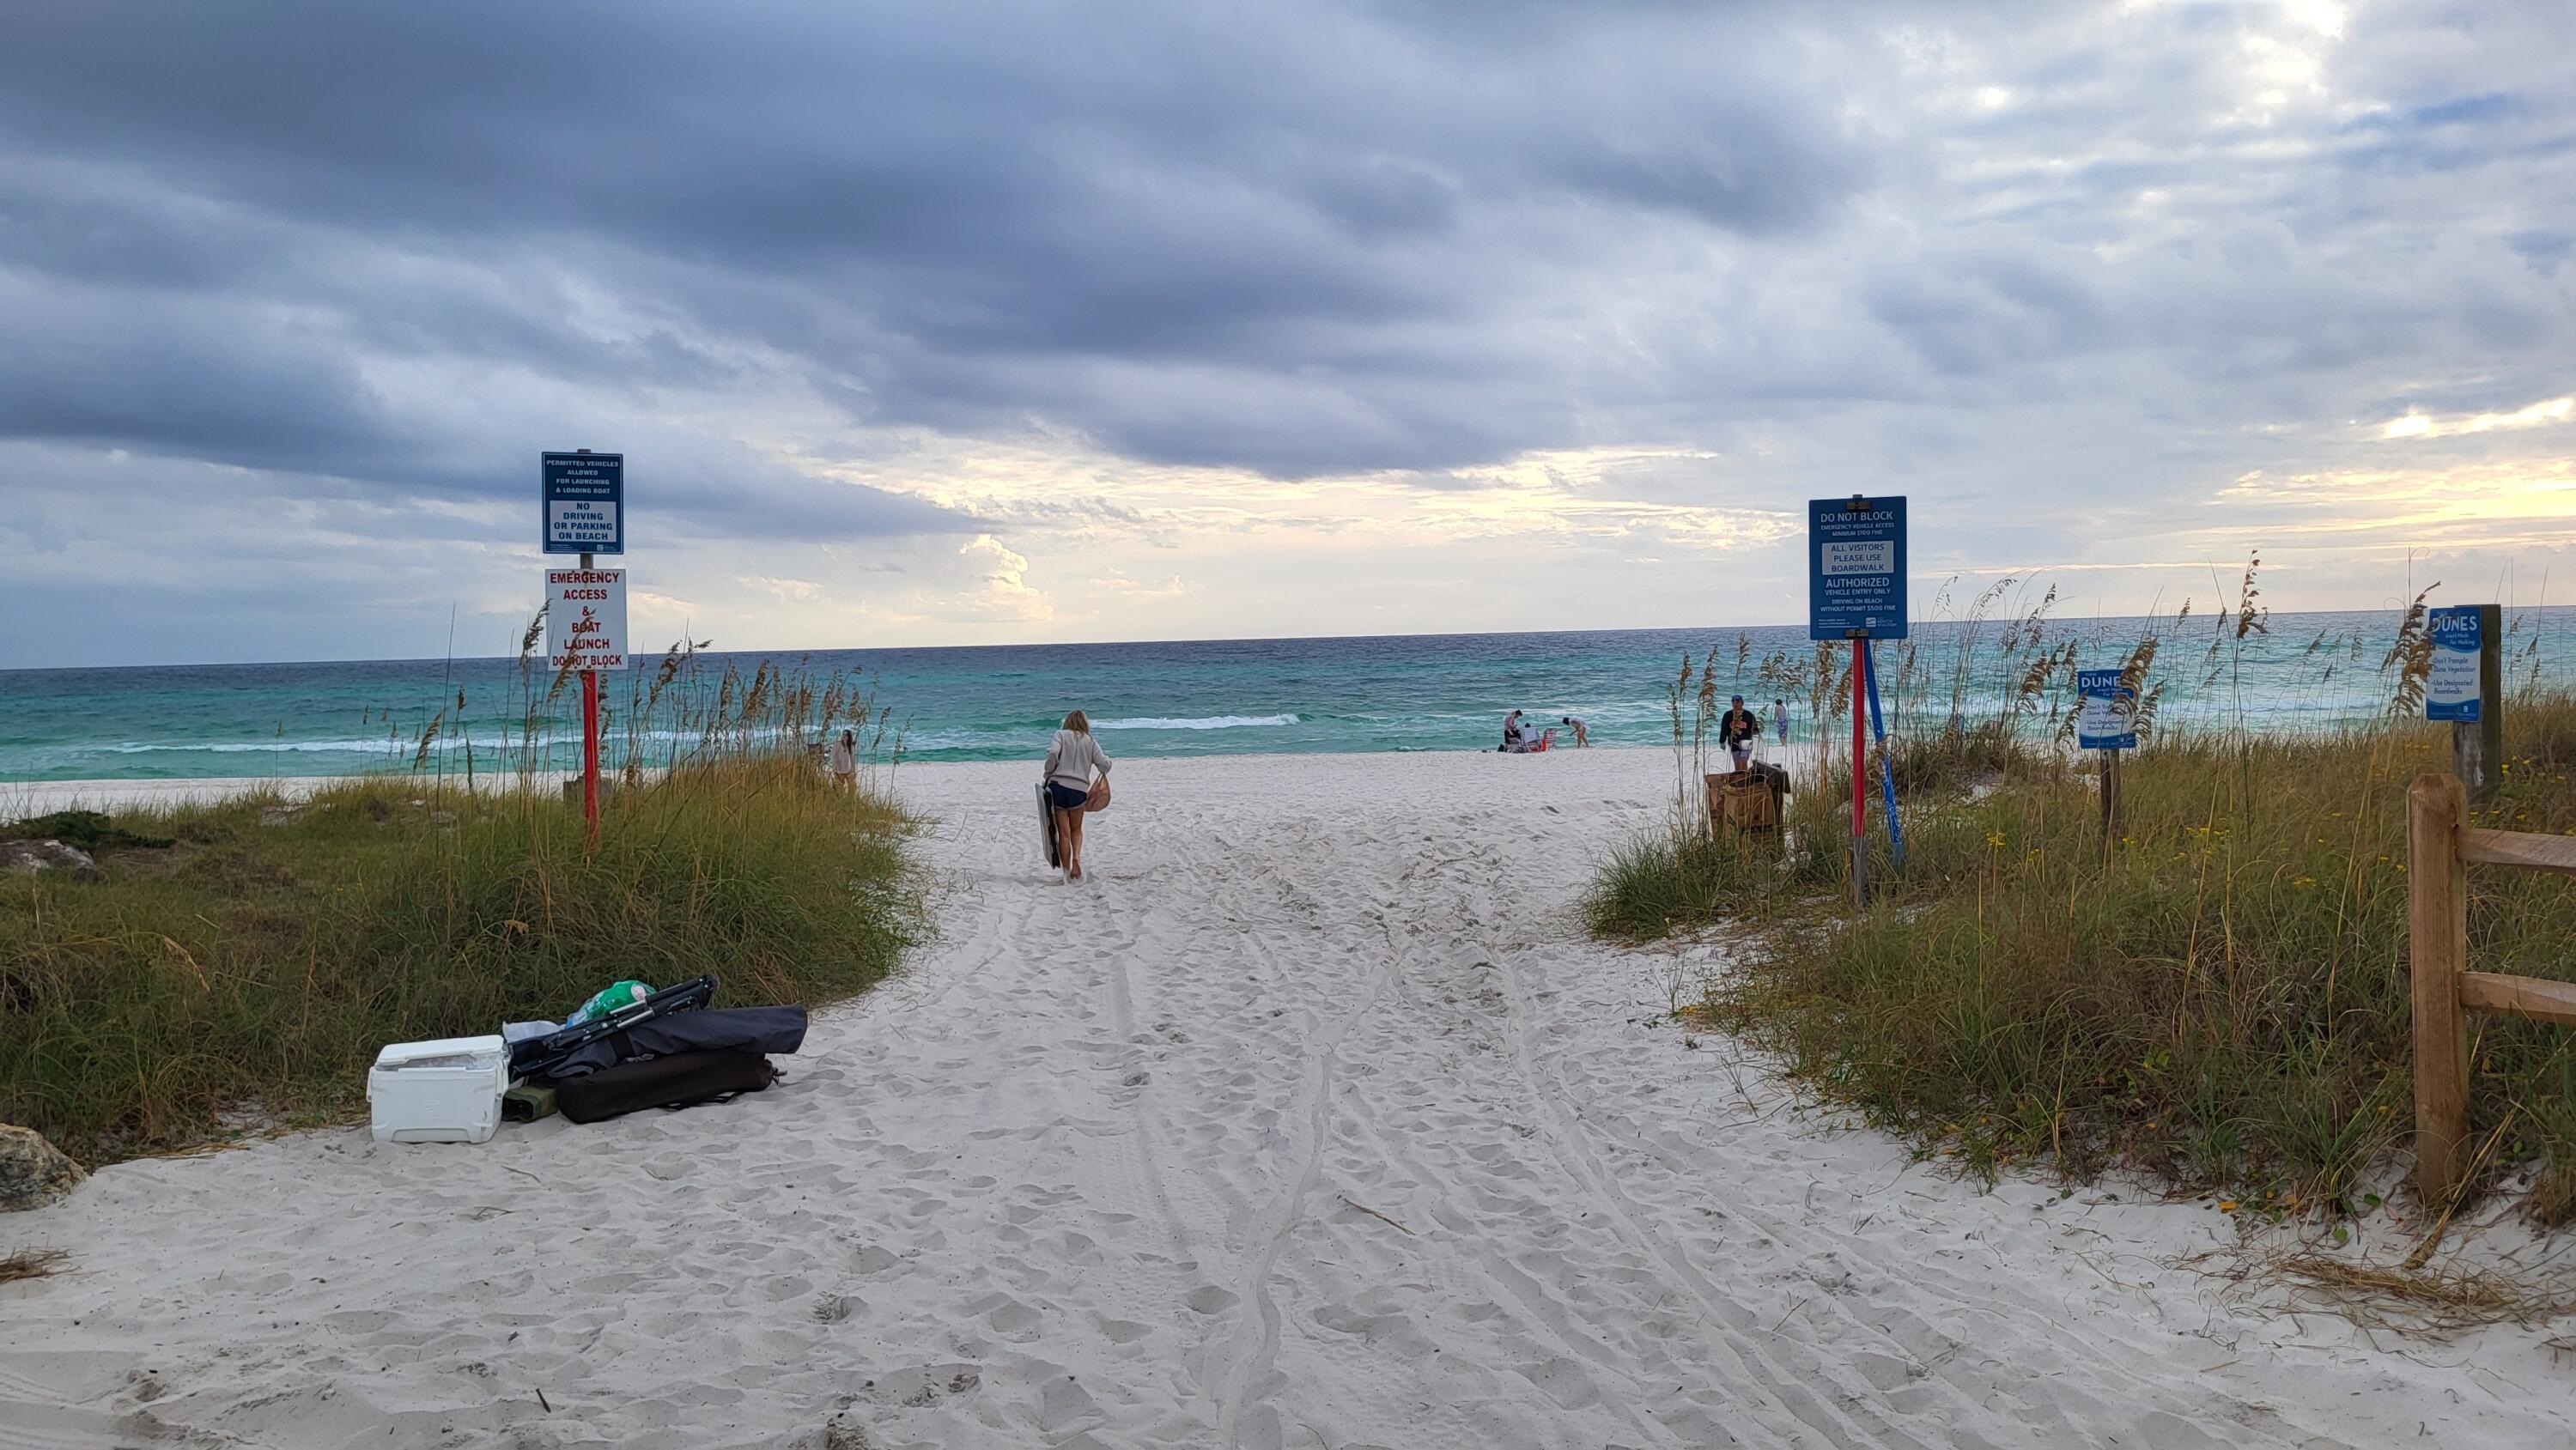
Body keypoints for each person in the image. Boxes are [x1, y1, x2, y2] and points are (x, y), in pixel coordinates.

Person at [1043, 709, 1112, 881]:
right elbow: (1103, 765)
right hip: (1078, 790)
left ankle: (1066, 873)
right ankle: (1076, 859)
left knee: (1063, 832)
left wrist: (1049, 770)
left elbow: (1052, 752)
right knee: (1076, 829)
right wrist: (1108, 762)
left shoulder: (1060, 734)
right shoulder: (1090, 741)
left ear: (1068, 722)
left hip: (1058, 787)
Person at [1719, 695, 1761, 772]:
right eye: (1733, 702)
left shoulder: (1749, 715)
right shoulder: (1728, 715)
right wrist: (1722, 741)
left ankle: (1746, 780)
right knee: (1738, 766)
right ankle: (1741, 781)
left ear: (1742, 703)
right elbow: (1724, 729)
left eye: (1738, 702)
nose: (1735, 704)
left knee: (1743, 762)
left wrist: (1756, 742)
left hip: (1746, 744)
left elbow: (1755, 731)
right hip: (1733, 743)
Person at [827, 728, 858, 792]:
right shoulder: (837, 744)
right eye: (843, 735)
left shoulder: (851, 746)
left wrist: (853, 770)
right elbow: (832, 756)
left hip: (848, 770)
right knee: (838, 789)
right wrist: (834, 766)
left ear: (849, 737)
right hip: (838, 771)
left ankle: (850, 799)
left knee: (853, 787)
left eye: (845, 735)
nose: (843, 736)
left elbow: (852, 758)